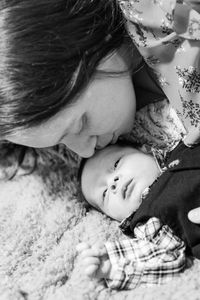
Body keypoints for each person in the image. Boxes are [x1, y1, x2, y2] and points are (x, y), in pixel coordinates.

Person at [0, 1, 199, 219]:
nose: (85, 152)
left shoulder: (157, 12)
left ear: (91, 48)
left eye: (80, 125)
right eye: (59, 143)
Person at [77, 138, 200, 289]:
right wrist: (114, 266)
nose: (113, 182)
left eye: (116, 164)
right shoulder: (148, 222)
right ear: (115, 219)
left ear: (146, 149)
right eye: (105, 193)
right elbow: (163, 259)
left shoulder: (186, 145)